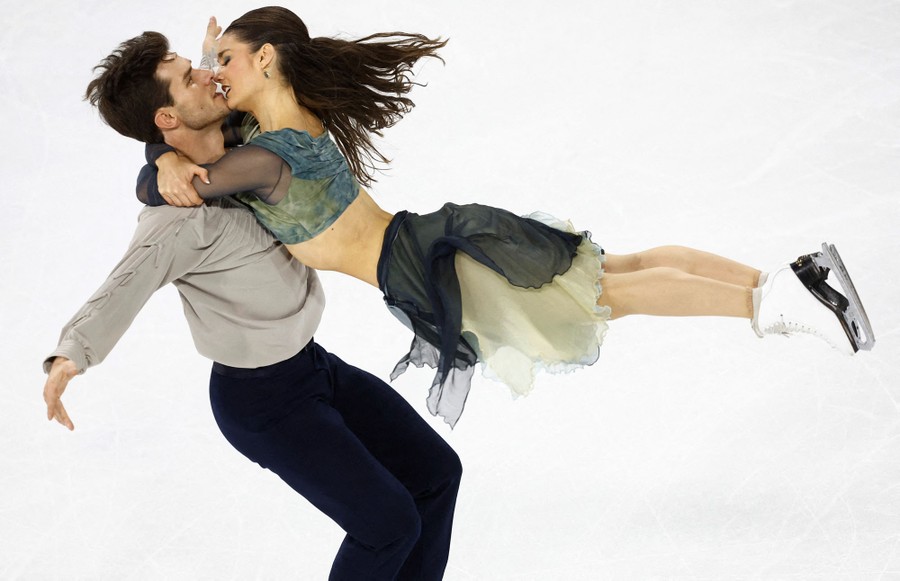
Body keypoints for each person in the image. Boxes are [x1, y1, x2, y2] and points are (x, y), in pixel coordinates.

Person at [141, 7, 875, 428]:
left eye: (227, 61)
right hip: (432, 242)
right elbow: (218, 127)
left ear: (267, 59)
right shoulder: (292, 118)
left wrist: (165, 161)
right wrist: (210, 60)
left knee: (604, 295)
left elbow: (168, 183)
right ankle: (791, 278)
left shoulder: (261, 159)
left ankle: (775, 302)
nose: (214, 75)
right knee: (612, 268)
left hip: (427, 265)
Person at [44, 31, 461, 580]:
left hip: (314, 366)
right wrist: (71, 354)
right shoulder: (178, 222)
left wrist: (164, 158)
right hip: (263, 404)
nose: (207, 74)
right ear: (168, 118)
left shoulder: (248, 145)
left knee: (435, 472)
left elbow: (176, 132)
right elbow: (123, 284)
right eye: (189, 77)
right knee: (386, 525)